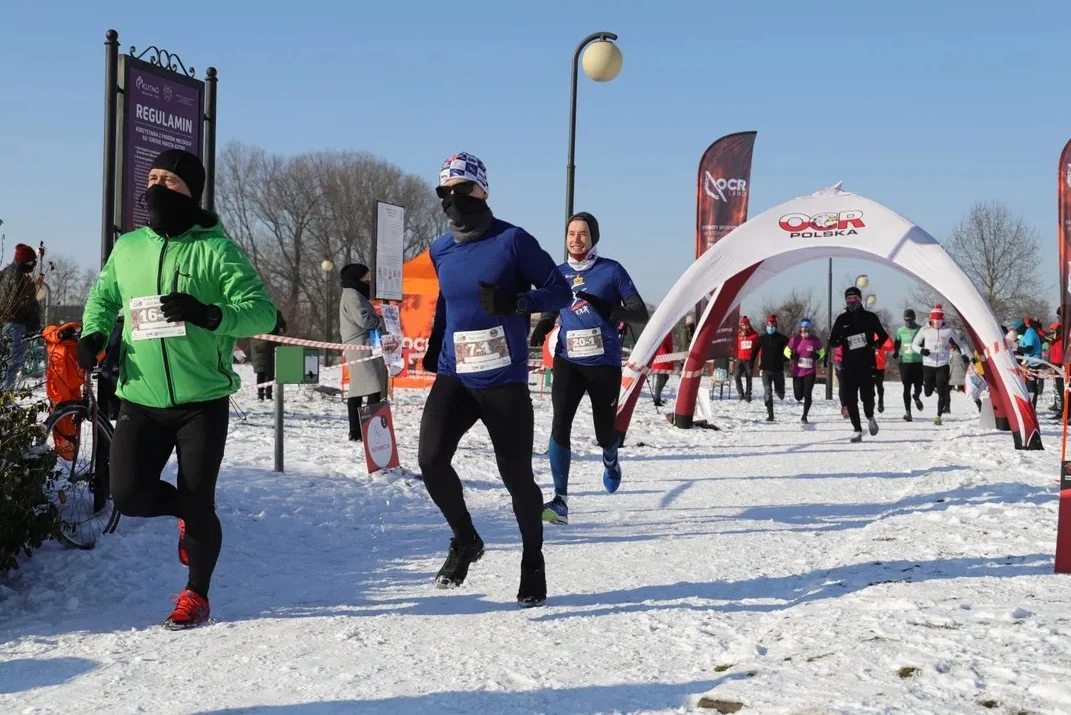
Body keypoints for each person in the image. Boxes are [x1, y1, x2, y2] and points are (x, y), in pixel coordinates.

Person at [78, 149, 277, 630]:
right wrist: (93, 334)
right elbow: (103, 298)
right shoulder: (129, 248)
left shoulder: (217, 250)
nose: (157, 187)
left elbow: (263, 313)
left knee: (199, 498)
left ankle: (197, 595)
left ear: (191, 191)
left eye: (169, 180)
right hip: (140, 397)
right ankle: (183, 513)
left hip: (201, 402)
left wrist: (210, 314)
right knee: (127, 495)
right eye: (152, 178)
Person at [417, 152, 571, 608]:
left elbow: (560, 291)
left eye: (462, 189)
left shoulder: (513, 241)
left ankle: (532, 559)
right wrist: (434, 342)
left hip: (502, 379)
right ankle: (466, 539)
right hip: (454, 373)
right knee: (430, 460)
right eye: (444, 192)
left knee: (516, 477)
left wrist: (517, 301)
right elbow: (448, 301)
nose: (453, 199)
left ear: (483, 190)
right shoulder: (440, 249)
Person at [529, 212, 648, 524]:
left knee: (603, 432)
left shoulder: (611, 271)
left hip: (603, 364)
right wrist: (542, 325)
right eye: (571, 233)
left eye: (582, 233)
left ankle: (610, 459)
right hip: (568, 360)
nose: (576, 239)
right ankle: (560, 500)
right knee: (559, 424)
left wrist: (608, 308)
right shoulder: (558, 273)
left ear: (593, 237)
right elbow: (552, 306)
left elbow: (639, 313)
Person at [828, 286, 888, 442]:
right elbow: (832, 340)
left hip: (867, 364)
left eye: (854, 298)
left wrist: (875, 345)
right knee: (850, 399)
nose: (851, 301)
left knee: (868, 397)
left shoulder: (870, 317)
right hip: (848, 366)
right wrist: (838, 341)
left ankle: (870, 416)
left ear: (860, 299)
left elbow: (883, 335)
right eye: (849, 299)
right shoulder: (842, 319)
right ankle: (857, 429)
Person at [339, 263, 388, 441]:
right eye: (366, 277)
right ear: (358, 277)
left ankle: (358, 430)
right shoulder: (352, 296)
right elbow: (365, 321)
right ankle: (366, 429)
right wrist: (382, 320)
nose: (369, 280)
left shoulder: (354, 294)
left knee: (361, 387)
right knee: (372, 385)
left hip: (363, 344)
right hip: (360, 345)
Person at [911, 304, 967, 426]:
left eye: (939, 319)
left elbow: (960, 343)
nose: (937, 322)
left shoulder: (949, 330)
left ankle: (938, 416)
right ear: (930, 319)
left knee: (942, 391)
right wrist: (921, 350)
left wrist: (963, 354)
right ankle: (929, 388)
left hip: (943, 364)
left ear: (943, 319)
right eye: (934, 319)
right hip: (928, 365)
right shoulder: (924, 330)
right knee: (928, 392)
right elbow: (914, 345)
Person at [0, 244, 41, 390]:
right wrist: (30, 318)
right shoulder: (17, 277)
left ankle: (5, 395)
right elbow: (14, 303)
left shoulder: (9, 272)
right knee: (13, 362)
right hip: (16, 325)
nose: (33, 265)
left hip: (11, 324)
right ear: (24, 261)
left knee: (8, 362)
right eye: (31, 261)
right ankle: (5, 397)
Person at [786, 318, 824, 424]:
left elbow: (822, 352)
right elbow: (786, 351)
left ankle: (804, 415)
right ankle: (800, 397)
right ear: (800, 329)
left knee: (807, 393)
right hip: (797, 372)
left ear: (810, 329)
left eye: (806, 328)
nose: (804, 330)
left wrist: (817, 355)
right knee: (798, 396)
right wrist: (792, 356)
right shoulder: (795, 339)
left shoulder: (815, 340)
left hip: (810, 372)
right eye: (802, 328)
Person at [893, 309, 924, 422]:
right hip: (905, 363)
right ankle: (908, 412)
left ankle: (916, 396)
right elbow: (897, 343)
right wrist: (896, 352)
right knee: (906, 388)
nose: (908, 322)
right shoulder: (900, 331)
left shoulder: (921, 329)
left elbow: (926, 342)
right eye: (906, 320)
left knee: (918, 387)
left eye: (910, 320)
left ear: (914, 318)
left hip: (918, 363)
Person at [756, 314, 789, 422]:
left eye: (772, 324)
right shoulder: (762, 338)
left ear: (776, 325)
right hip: (766, 370)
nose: (770, 326)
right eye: (768, 324)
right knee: (767, 391)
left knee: (780, 393)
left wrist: (785, 358)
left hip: (778, 370)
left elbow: (790, 348)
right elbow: (754, 351)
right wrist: (751, 362)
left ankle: (780, 390)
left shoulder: (782, 338)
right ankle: (770, 414)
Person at [248, 312, 287, 402]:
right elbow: (283, 327)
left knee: (261, 371)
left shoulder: (255, 311)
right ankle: (268, 395)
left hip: (257, 344)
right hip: (270, 345)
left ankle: (260, 395)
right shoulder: (274, 312)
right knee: (270, 372)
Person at [1011, 317, 1043, 409]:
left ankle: (1033, 407)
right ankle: (1030, 406)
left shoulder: (1030, 333)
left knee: (1031, 386)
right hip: (1028, 362)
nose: (1017, 331)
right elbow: (1021, 350)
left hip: (1035, 362)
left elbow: (1028, 349)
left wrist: (1015, 347)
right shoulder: (1024, 334)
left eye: (1018, 329)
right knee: (1027, 386)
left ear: (1022, 327)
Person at [733, 316, 759, 401]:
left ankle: (748, 394)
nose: (745, 326)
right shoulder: (738, 335)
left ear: (749, 325)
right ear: (741, 325)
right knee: (737, 376)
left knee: (749, 377)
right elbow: (734, 346)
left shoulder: (754, 335)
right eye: (743, 325)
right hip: (740, 359)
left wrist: (760, 358)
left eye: (746, 324)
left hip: (749, 360)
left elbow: (759, 347)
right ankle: (740, 392)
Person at [651, 330, 676, 408]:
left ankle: (658, 397)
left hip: (665, 359)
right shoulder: (664, 331)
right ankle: (657, 399)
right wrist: (665, 357)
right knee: (660, 379)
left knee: (665, 378)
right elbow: (662, 346)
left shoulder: (669, 332)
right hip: (662, 360)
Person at [873, 329, 895, 413]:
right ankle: (871, 404)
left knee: (879, 386)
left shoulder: (880, 337)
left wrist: (886, 335)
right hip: (868, 367)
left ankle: (880, 402)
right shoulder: (866, 335)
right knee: (869, 388)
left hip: (879, 367)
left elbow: (890, 347)